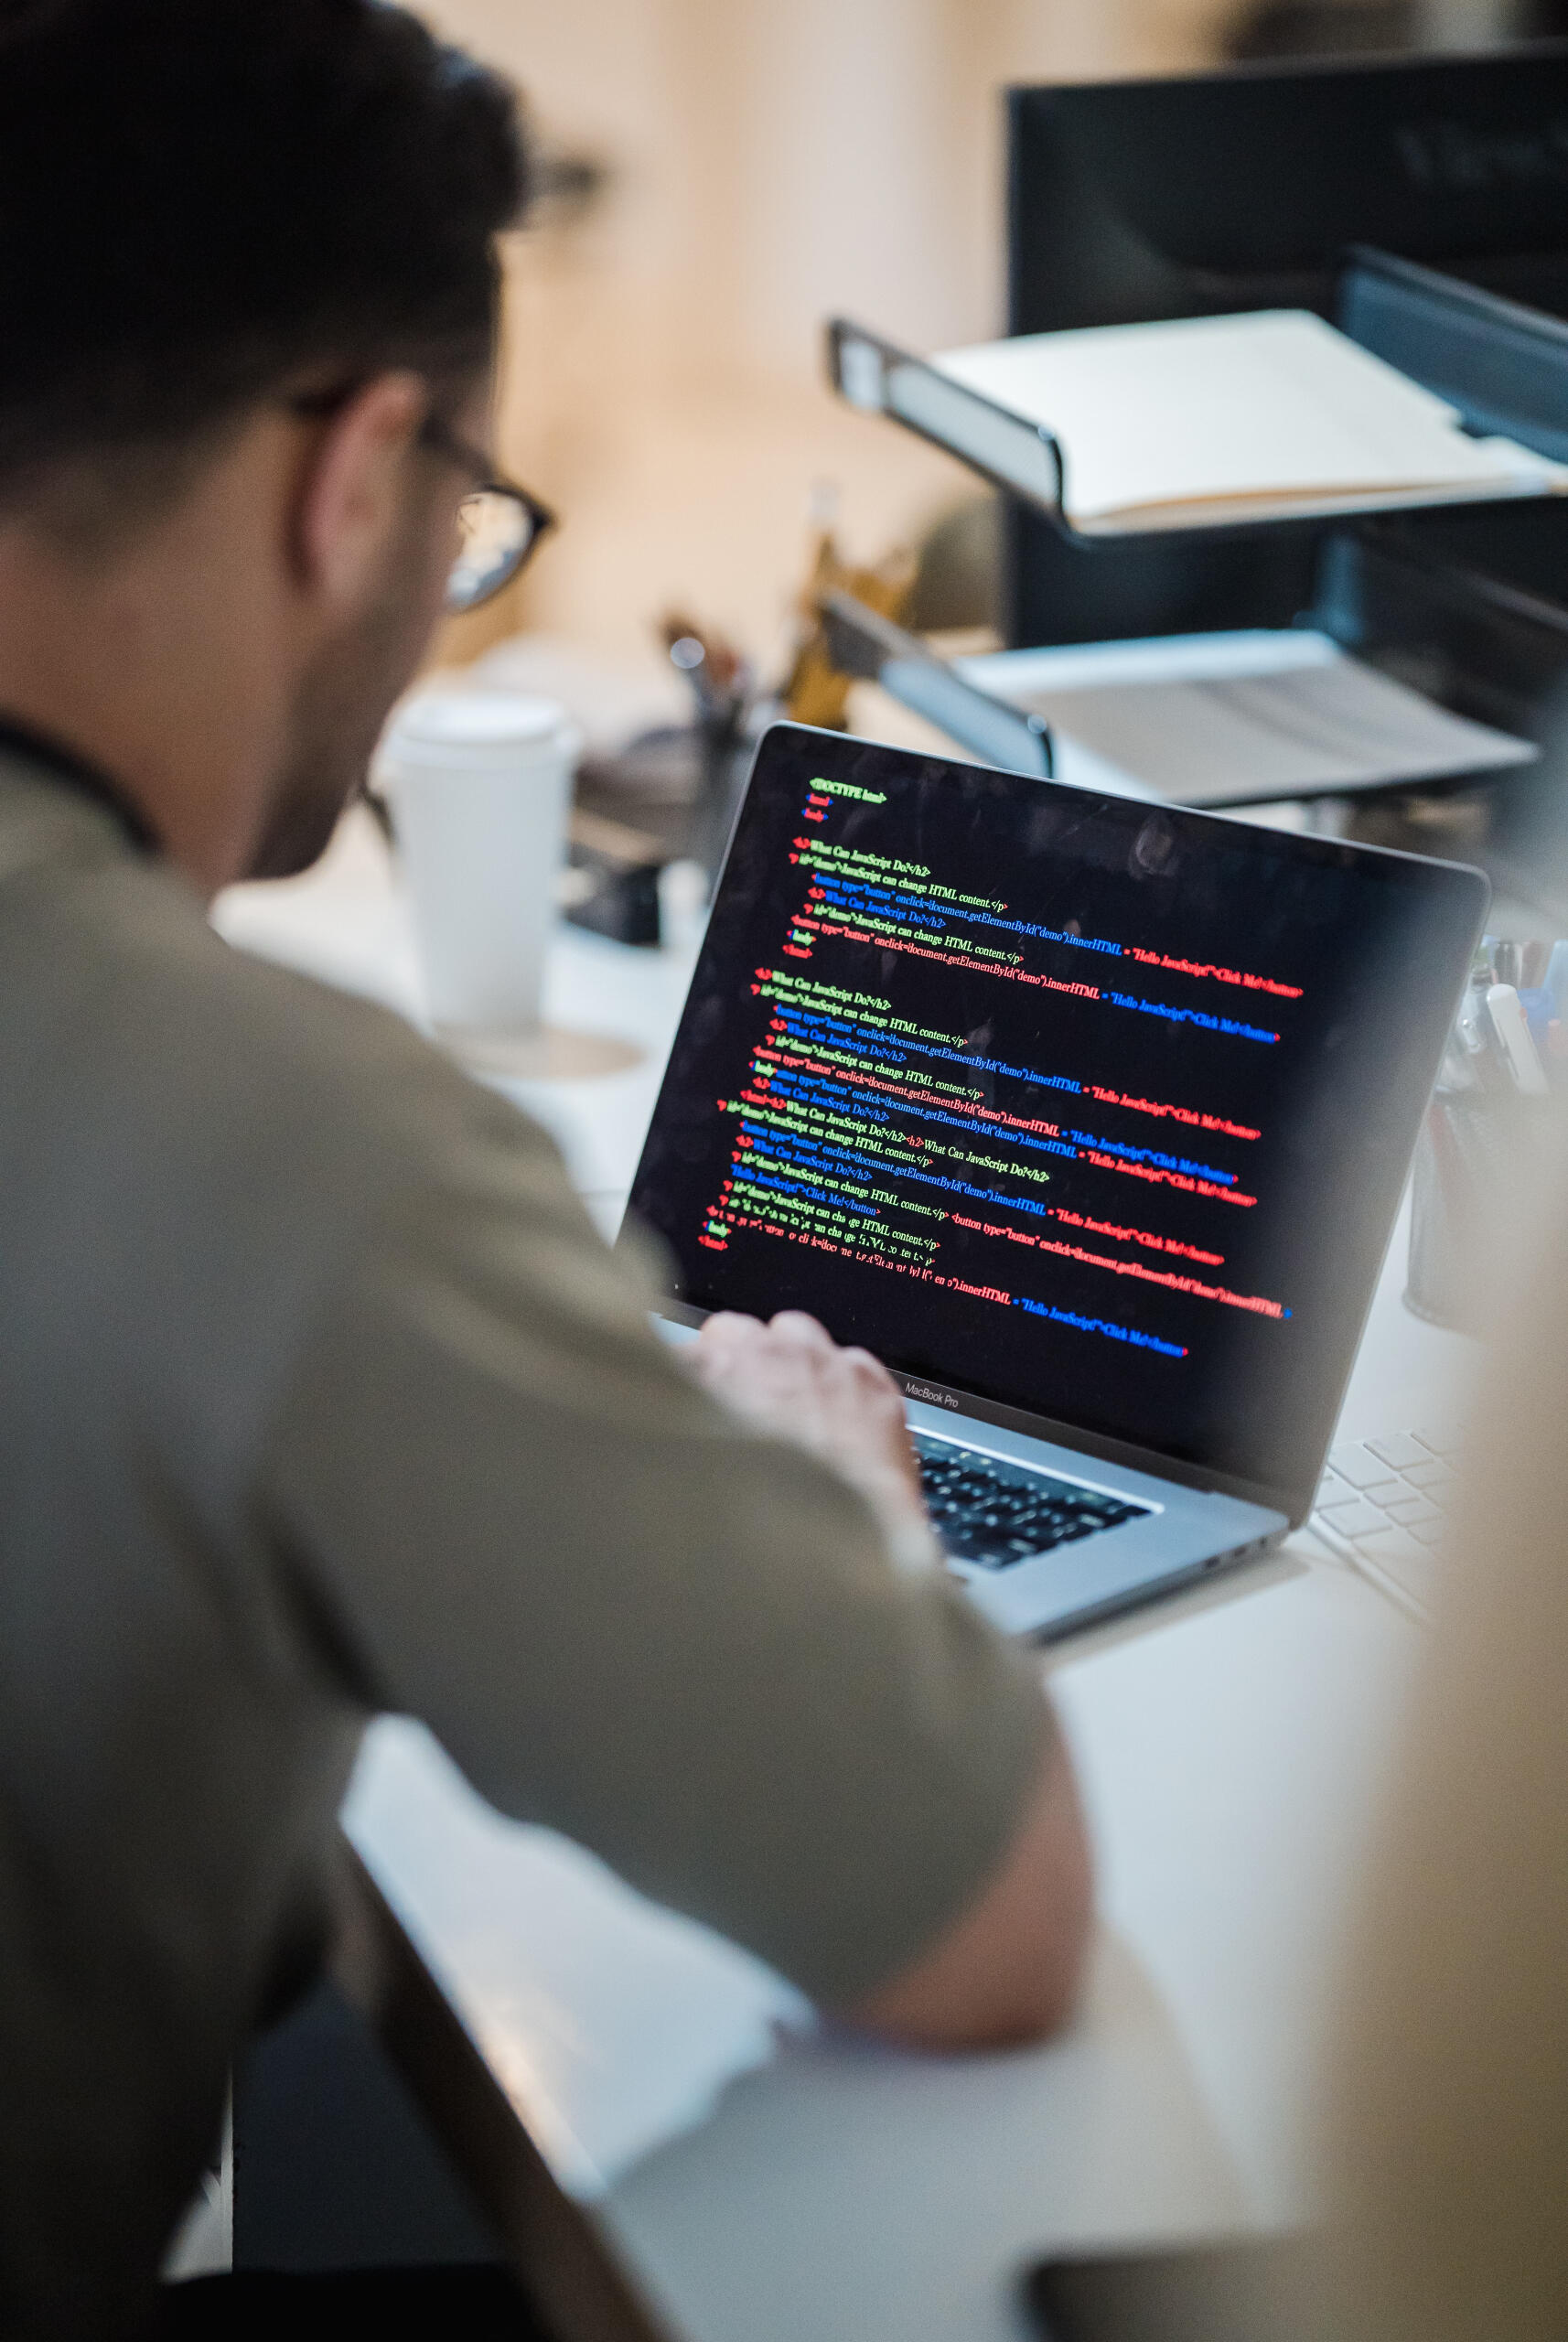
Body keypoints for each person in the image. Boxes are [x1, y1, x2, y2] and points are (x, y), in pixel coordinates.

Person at [0, 4, 1090, 2333]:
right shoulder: (290, 1146)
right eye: (477, 530)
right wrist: (840, 1509)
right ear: (356, 478)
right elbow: (978, 1924)